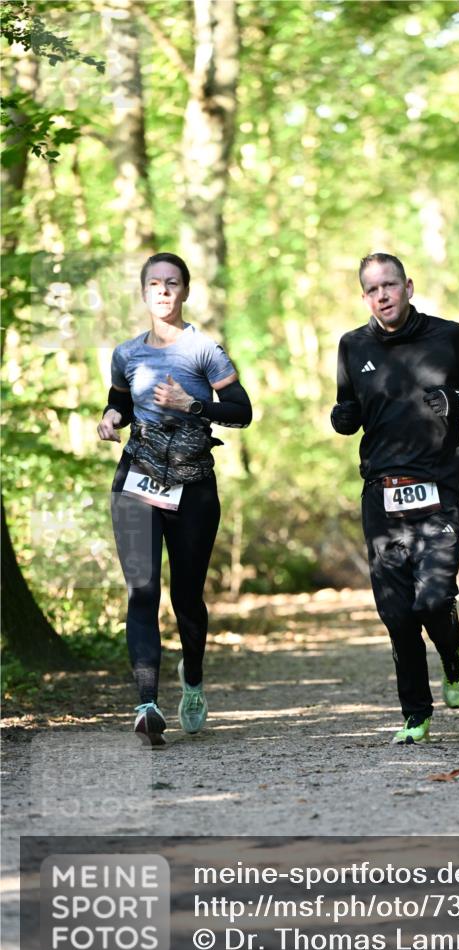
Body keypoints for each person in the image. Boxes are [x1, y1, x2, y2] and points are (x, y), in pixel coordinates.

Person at [331, 252, 459, 745]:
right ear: (364, 297)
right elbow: (348, 406)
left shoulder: (448, 335)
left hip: (438, 489)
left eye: (390, 285)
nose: (383, 295)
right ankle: (415, 714)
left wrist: (455, 401)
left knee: (433, 598)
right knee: (397, 611)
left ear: (408, 286)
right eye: (373, 289)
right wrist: (343, 416)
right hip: (381, 493)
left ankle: (452, 653)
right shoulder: (352, 345)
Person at [97, 252, 252, 746]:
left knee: (186, 596)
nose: (163, 290)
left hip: (193, 485)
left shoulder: (205, 351)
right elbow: (119, 400)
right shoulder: (126, 353)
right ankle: (146, 704)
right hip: (138, 479)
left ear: (186, 291)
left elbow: (242, 411)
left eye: (173, 283)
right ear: (143, 293)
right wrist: (111, 419)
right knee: (142, 591)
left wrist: (193, 404)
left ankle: (193, 679)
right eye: (154, 284)